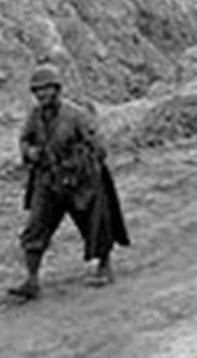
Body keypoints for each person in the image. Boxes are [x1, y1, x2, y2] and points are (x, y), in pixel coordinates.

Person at [10, 63, 130, 300]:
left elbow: (99, 147)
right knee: (35, 229)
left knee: (95, 225)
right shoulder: (34, 117)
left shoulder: (76, 116)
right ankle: (31, 280)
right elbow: (24, 140)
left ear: (57, 89)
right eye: (37, 90)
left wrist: (79, 164)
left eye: (46, 89)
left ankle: (104, 267)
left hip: (79, 182)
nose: (42, 94)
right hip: (48, 181)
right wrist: (31, 152)